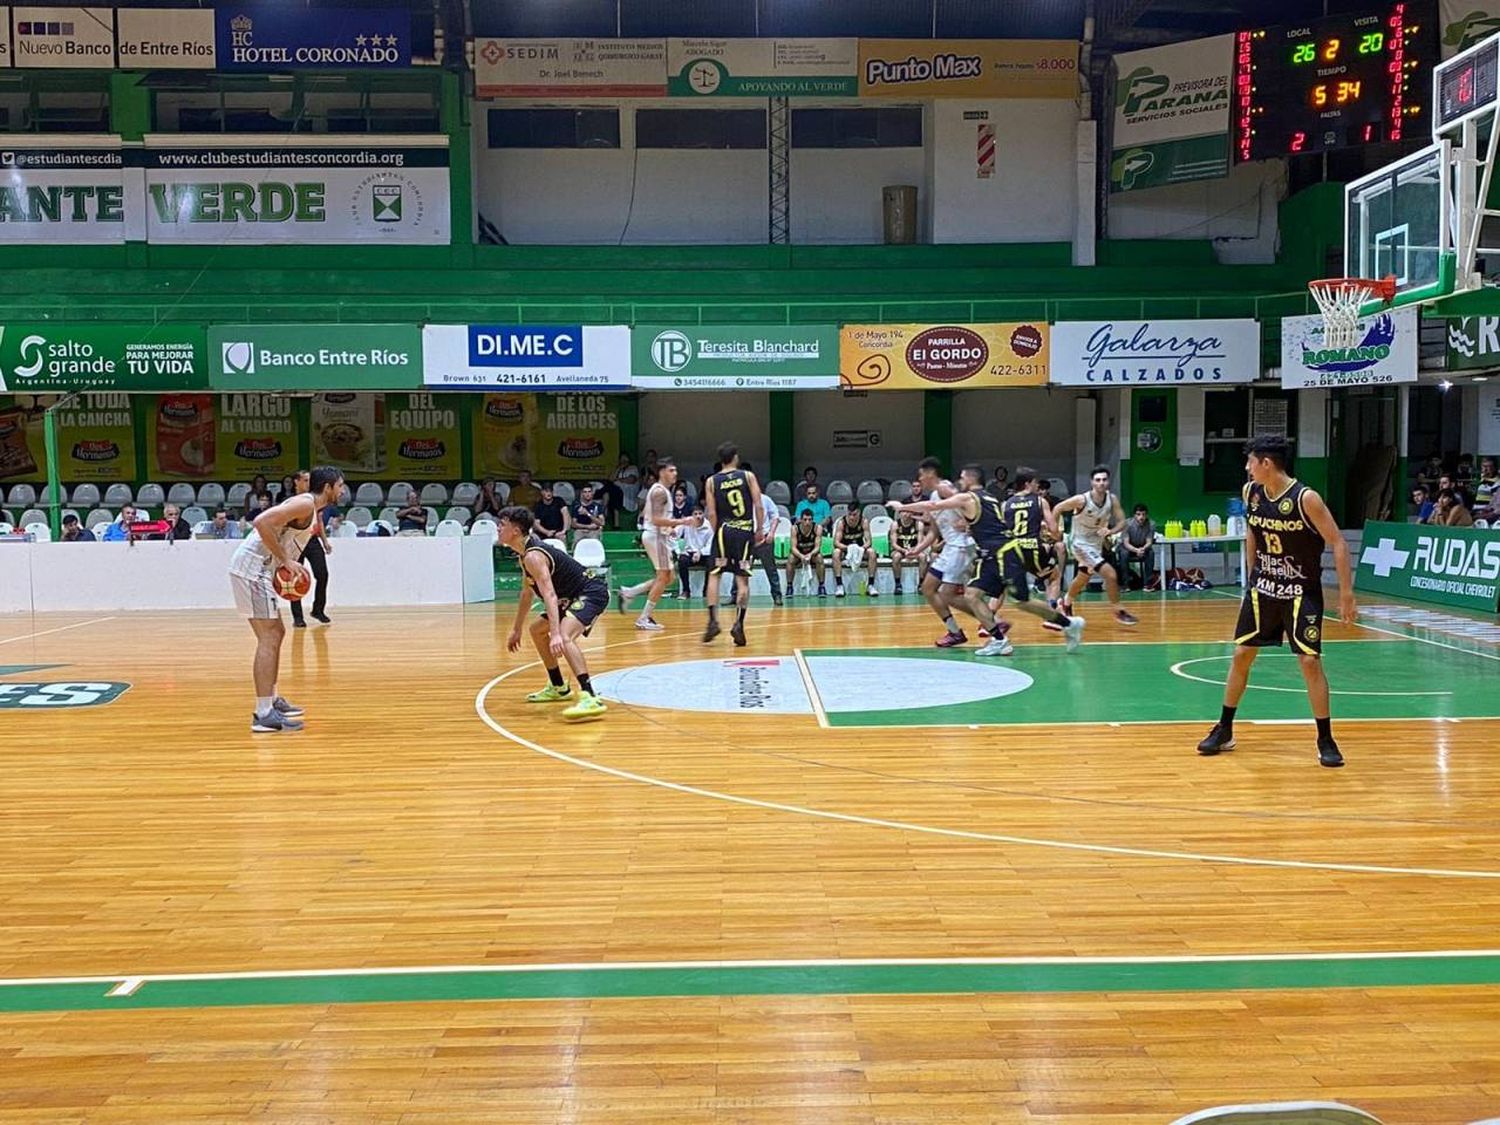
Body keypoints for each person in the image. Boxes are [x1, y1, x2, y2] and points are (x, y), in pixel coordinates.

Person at [1196, 436, 1355, 768]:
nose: (1246, 467)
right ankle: (1224, 728)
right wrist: (1252, 575)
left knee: (1309, 663)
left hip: (1301, 591)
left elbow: (1338, 542)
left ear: (1266, 463)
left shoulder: (1305, 498)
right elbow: (1253, 531)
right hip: (1263, 588)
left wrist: (1346, 594)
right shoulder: (1250, 492)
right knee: (1241, 655)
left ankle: (1325, 738)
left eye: (1250, 461)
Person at [229, 465, 343, 734]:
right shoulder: (305, 504)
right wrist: (285, 560)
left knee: (276, 633)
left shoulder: (312, 508)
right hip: (252, 569)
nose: (342, 490)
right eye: (340, 485)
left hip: (259, 570)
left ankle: (272, 699)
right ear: (327, 487)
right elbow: (261, 522)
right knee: (269, 637)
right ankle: (263, 713)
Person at [892, 464, 1021, 656]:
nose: (919, 481)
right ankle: (960, 630)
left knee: (948, 594)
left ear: (930, 475)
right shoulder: (935, 495)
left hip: (961, 547)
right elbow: (935, 530)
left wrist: (969, 524)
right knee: (928, 589)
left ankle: (992, 627)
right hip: (951, 547)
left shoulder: (945, 489)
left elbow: (966, 509)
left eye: (921, 476)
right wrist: (917, 549)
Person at [499, 505, 608, 723]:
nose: (498, 528)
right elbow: (526, 594)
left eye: (502, 524)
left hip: (591, 592)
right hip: (569, 597)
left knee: (565, 637)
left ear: (516, 531)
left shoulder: (534, 556)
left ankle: (590, 696)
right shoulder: (524, 555)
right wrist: (516, 629)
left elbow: (548, 594)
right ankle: (559, 687)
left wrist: (557, 633)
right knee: (537, 630)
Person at [991, 468, 1085, 650]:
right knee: (1054, 577)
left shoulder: (1006, 504)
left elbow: (1000, 529)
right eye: (1035, 483)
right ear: (1027, 483)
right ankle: (1053, 613)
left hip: (1012, 550)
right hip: (1033, 549)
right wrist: (1053, 538)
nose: (1037, 486)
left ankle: (989, 620)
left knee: (1001, 586)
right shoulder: (1040, 501)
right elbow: (1054, 530)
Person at [1050, 466, 1139, 627]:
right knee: (1110, 574)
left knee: (1083, 577)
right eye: (1098, 480)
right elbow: (1057, 508)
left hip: (1095, 544)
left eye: (1104, 480)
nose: (1101, 483)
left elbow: (1122, 522)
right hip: (1079, 543)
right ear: (1092, 482)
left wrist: (1110, 531)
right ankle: (1118, 610)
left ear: (1108, 482)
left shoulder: (1112, 499)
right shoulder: (1081, 500)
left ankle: (1066, 603)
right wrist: (1055, 530)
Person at [702, 441, 763, 646]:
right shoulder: (747, 476)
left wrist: (717, 531)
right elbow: (758, 505)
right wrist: (759, 529)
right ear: (735, 457)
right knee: (742, 579)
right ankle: (739, 623)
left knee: (714, 575)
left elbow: (711, 513)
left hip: (723, 531)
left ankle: (712, 621)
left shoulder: (711, 481)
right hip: (744, 531)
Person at [616, 458, 689, 627]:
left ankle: (630, 592)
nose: (675, 474)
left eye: (675, 470)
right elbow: (656, 520)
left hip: (658, 536)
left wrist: (669, 528)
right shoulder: (660, 492)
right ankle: (644, 617)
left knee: (669, 577)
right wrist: (681, 522)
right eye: (671, 470)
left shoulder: (661, 490)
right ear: (662, 472)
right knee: (664, 577)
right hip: (655, 537)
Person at [289, 468, 333, 629]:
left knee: (322, 574)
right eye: (305, 480)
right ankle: (298, 617)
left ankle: (318, 609)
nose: (309, 483)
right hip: (295, 542)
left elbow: (319, 520)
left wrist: (325, 541)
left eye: (310, 480)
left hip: (312, 540)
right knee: (294, 579)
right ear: (297, 482)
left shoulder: (314, 500)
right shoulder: (291, 501)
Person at [743, 461, 784, 606]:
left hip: (765, 540)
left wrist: (772, 533)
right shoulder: (742, 501)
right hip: (747, 541)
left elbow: (775, 516)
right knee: (742, 570)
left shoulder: (765, 500)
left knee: (771, 570)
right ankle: (735, 596)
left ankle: (777, 596)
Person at [831, 505, 878, 597]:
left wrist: (861, 549)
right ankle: (839, 585)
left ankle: (871, 585)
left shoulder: (864, 521)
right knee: (836, 552)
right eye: (850, 514)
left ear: (859, 513)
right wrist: (849, 548)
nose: (852, 517)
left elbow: (869, 541)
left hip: (860, 549)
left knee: (872, 552)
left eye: (854, 514)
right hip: (845, 549)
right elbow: (836, 542)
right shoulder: (841, 522)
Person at [888, 508, 931, 596]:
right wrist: (904, 550)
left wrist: (914, 551)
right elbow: (894, 544)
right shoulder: (895, 524)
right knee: (896, 557)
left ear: (912, 513)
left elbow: (920, 543)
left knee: (923, 557)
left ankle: (921, 584)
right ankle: (898, 584)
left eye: (908, 512)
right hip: (899, 549)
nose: (905, 514)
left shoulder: (918, 524)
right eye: (903, 512)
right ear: (900, 513)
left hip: (914, 549)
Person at [785, 508, 826, 597]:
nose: (807, 522)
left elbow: (817, 547)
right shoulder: (794, 528)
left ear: (813, 520)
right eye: (805, 520)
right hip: (799, 554)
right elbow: (793, 548)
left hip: (812, 554)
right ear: (800, 520)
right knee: (790, 559)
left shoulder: (817, 528)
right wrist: (801, 556)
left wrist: (810, 555)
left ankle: (822, 586)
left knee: (819, 558)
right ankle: (789, 587)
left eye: (810, 520)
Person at [676, 504, 714, 598]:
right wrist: (678, 551)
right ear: (691, 515)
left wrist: (700, 552)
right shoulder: (687, 522)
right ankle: (686, 591)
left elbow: (710, 545)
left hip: (704, 553)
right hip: (689, 552)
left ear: (703, 514)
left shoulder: (709, 526)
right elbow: (674, 534)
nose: (698, 516)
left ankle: (706, 591)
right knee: (682, 561)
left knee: (712, 562)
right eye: (695, 514)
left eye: (700, 513)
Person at [1119, 504, 1156, 590]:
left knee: (1150, 553)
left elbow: (1149, 542)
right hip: (1128, 547)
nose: (1141, 517)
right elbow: (1126, 543)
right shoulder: (1127, 524)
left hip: (1142, 547)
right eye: (1138, 514)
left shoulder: (1151, 524)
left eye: (1143, 514)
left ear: (1146, 515)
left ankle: (1148, 584)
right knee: (1124, 553)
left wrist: (1143, 549)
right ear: (1134, 515)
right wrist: (1136, 550)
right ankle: (1125, 584)